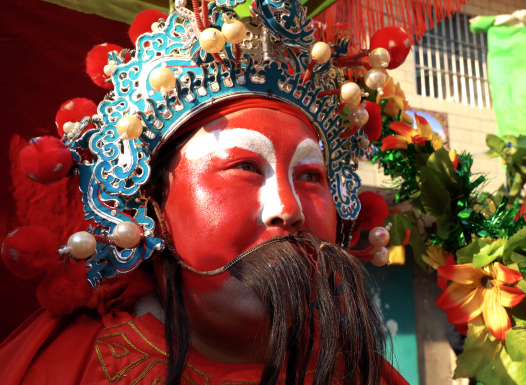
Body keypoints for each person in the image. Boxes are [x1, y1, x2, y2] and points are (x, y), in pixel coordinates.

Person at [0, 1, 408, 384]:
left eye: (310, 176)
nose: (288, 209)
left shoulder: (360, 372)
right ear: (151, 206)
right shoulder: (64, 370)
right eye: (245, 167)